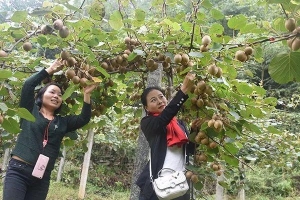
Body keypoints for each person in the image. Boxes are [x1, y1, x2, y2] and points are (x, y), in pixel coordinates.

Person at [3, 59, 96, 200]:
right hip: (19, 171)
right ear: (41, 96)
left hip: (41, 177)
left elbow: (83, 118)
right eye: (52, 92)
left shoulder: (62, 122)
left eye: (59, 95)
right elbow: (28, 85)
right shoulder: (29, 111)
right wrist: (49, 70)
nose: (56, 96)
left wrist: (87, 95)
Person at [136, 72, 197, 200]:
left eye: (161, 97)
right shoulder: (148, 123)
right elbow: (164, 119)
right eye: (153, 100)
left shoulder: (179, 124)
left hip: (179, 185)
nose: (159, 101)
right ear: (147, 108)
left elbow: (189, 150)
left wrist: (194, 131)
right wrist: (184, 90)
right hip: (157, 186)